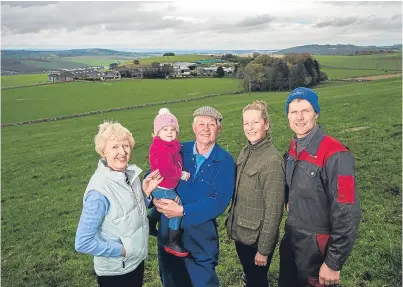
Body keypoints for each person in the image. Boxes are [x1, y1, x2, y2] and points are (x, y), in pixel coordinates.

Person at [278, 87, 362, 287]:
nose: (299, 117)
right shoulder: (292, 150)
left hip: (317, 251)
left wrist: (333, 262)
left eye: (305, 111)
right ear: (288, 116)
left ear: (316, 113)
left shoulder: (336, 154)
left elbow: (348, 212)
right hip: (292, 242)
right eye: (293, 112)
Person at [153, 106, 236, 287]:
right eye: (201, 123)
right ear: (193, 127)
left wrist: (181, 210)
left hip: (200, 237)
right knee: (172, 280)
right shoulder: (179, 149)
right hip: (168, 234)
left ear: (219, 129)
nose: (205, 128)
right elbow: (154, 173)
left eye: (211, 124)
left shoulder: (225, 161)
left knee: (203, 282)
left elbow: (219, 201)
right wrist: (153, 195)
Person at [75, 121, 163, 287]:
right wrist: (122, 251)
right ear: (103, 152)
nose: (122, 152)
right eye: (115, 147)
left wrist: (145, 194)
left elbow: (126, 213)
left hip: (135, 263)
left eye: (126, 146)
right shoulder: (99, 192)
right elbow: (83, 242)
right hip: (115, 272)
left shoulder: (131, 176)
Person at [226, 100, 285, 287]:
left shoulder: (272, 161)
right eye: (246, 123)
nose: (250, 128)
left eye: (255, 122)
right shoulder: (246, 152)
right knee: (251, 278)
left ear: (266, 124)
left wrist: (264, 250)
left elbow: (274, 211)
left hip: (256, 241)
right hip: (242, 234)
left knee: (258, 281)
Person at [148, 108, 191, 257]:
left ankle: (150, 220)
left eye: (173, 129)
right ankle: (172, 241)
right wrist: (182, 174)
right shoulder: (161, 148)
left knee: (160, 204)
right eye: (165, 129)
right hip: (163, 186)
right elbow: (166, 169)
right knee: (176, 208)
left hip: (163, 185)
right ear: (157, 132)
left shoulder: (168, 145)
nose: (169, 132)